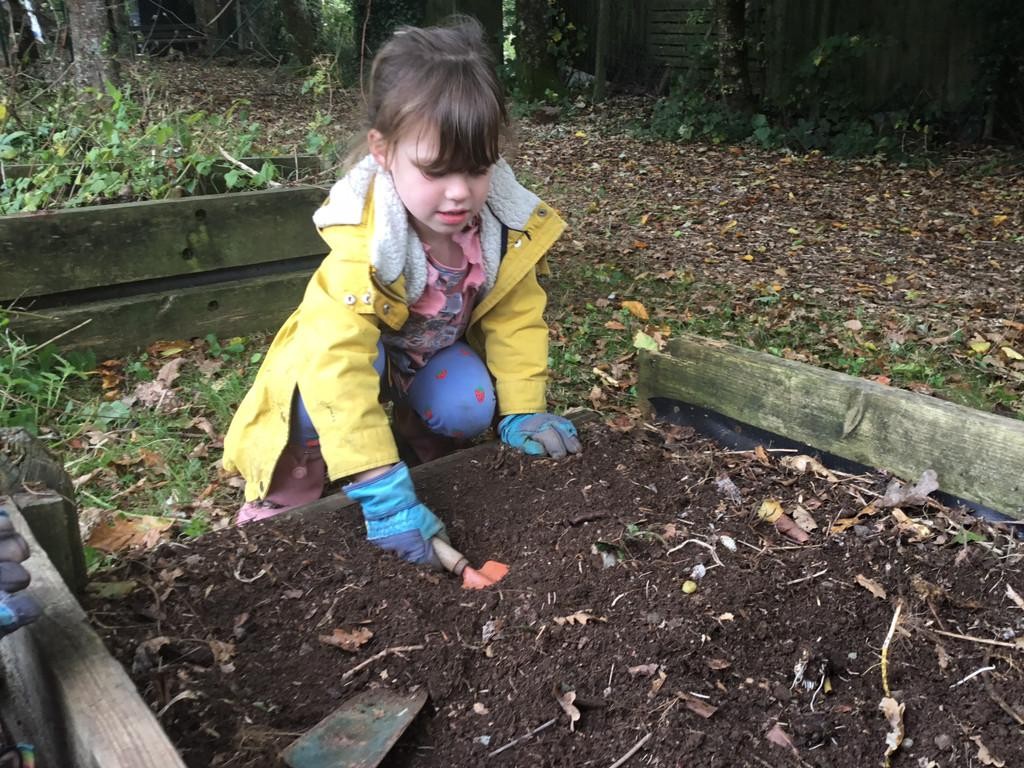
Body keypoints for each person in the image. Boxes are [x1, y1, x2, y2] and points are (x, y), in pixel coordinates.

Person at [221, 17, 581, 567]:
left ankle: (415, 448)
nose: (459, 193)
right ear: (384, 151)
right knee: (314, 405)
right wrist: (378, 487)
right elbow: (335, 363)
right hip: (336, 364)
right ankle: (284, 502)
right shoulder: (365, 244)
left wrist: (523, 411)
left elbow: (515, 319)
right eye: (435, 170)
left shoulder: (498, 233)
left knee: (468, 404)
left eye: (478, 169)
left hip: (421, 357)